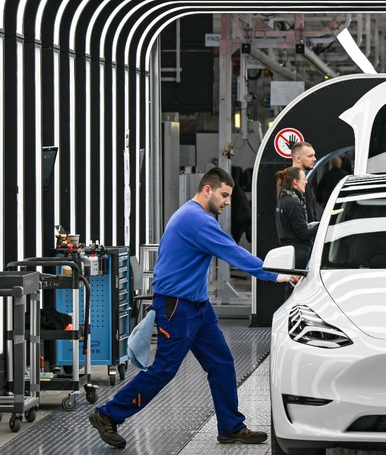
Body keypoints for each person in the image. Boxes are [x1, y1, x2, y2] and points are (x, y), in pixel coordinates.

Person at [89, 167, 299, 449]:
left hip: (198, 307)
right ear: (208, 190)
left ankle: (230, 426)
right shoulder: (196, 220)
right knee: (164, 369)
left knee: (221, 362)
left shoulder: (192, 216)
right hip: (178, 308)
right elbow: (232, 251)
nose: (227, 202)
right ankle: (107, 415)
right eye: (224, 195)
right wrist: (275, 274)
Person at [276, 166, 318, 270]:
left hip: (290, 252)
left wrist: (312, 225)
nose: (306, 182)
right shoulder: (293, 203)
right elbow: (304, 234)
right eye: (304, 179)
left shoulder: (283, 200)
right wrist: (322, 227)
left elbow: (295, 227)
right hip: (299, 254)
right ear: (295, 181)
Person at [289, 141, 320, 218]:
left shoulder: (303, 180)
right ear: (298, 158)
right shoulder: (293, 183)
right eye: (310, 156)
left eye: (314, 155)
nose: (314, 159)